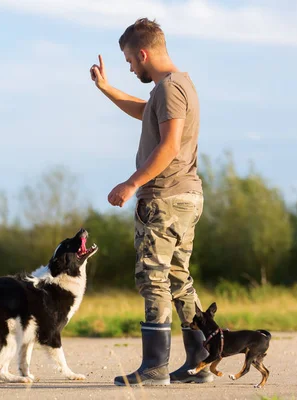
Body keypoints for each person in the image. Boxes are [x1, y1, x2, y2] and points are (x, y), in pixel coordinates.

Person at [90, 18, 213, 386]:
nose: (130, 67)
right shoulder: (177, 87)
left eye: (130, 60)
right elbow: (145, 112)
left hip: (165, 197)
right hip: (186, 196)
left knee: (153, 278)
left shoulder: (170, 88)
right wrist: (107, 89)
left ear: (143, 53)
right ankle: (199, 362)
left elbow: (170, 145)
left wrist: (132, 183)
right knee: (177, 278)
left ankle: (154, 367)